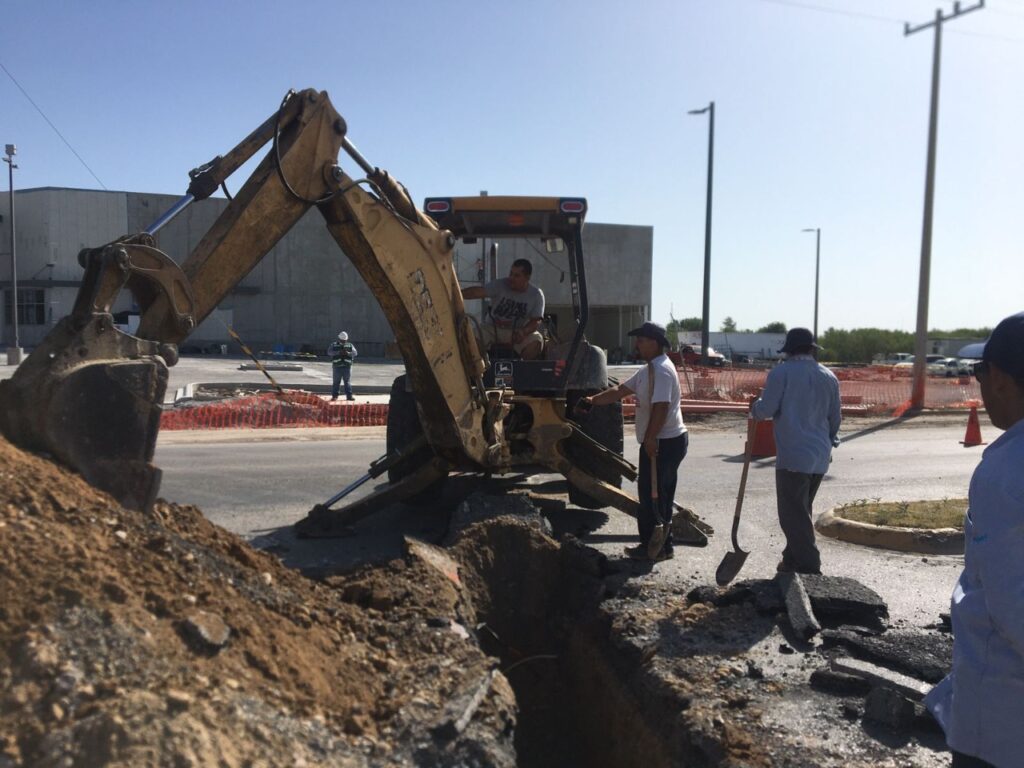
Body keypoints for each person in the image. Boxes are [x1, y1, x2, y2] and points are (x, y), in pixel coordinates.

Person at [925, 311, 1024, 768]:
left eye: (980, 375)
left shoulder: (1007, 473)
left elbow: (1015, 608)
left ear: (1000, 378)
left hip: (1002, 722)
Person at [575, 321, 687, 561]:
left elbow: (661, 408)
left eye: (642, 340)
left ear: (654, 343)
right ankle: (656, 546)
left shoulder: (663, 370)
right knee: (650, 494)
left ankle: (658, 548)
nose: (637, 344)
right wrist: (592, 400)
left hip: (665, 441)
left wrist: (650, 439)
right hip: (657, 439)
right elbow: (618, 392)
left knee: (656, 496)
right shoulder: (647, 370)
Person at [750, 327, 841, 575]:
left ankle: (809, 565)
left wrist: (754, 407)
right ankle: (791, 560)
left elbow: (766, 409)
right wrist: (829, 442)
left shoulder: (782, 373)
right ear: (812, 349)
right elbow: (835, 419)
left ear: (788, 351)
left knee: (792, 516)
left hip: (793, 456)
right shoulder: (828, 376)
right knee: (801, 512)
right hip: (820, 456)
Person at [461, 258, 545, 360]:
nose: (511, 278)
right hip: (491, 329)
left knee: (536, 341)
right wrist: (457, 294)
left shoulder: (536, 295)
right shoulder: (500, 285)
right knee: (471, 338)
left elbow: (536, 321)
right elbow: (478, 292)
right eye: (511, 273)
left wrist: (524, 332)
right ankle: (480, 370)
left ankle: (521, 370)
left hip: (516, 331)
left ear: (527, 278)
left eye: (516, 276)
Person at [327, 331, 358, 401]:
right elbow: (329, 352)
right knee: (336, 382)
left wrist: (348, 353)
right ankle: (335, 396)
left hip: (347, 367)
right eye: (342, 340)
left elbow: (355, 353)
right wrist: (338, 352)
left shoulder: (350, 345)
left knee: (347, 382)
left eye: (345, 340)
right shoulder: (333, 345)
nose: (344, 341)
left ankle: (349, 396)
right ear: (339, 339)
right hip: (337, 367)